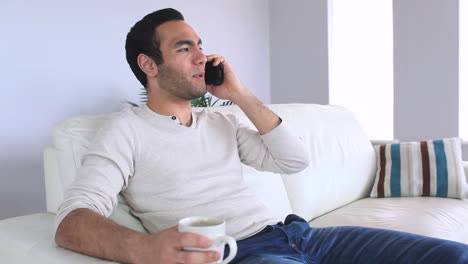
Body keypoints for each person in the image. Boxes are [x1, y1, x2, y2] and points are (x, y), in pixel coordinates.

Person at [54, 8, 468, 264]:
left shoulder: (222, 121)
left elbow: (294, 161)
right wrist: (143, 251)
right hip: (242, 254)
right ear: (149, 64)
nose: (202, 55)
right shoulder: (125, 131)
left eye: (201, 45)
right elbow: (72, 221)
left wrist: (238, 95)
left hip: (300, 234)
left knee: (454, 255)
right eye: (184, 48)